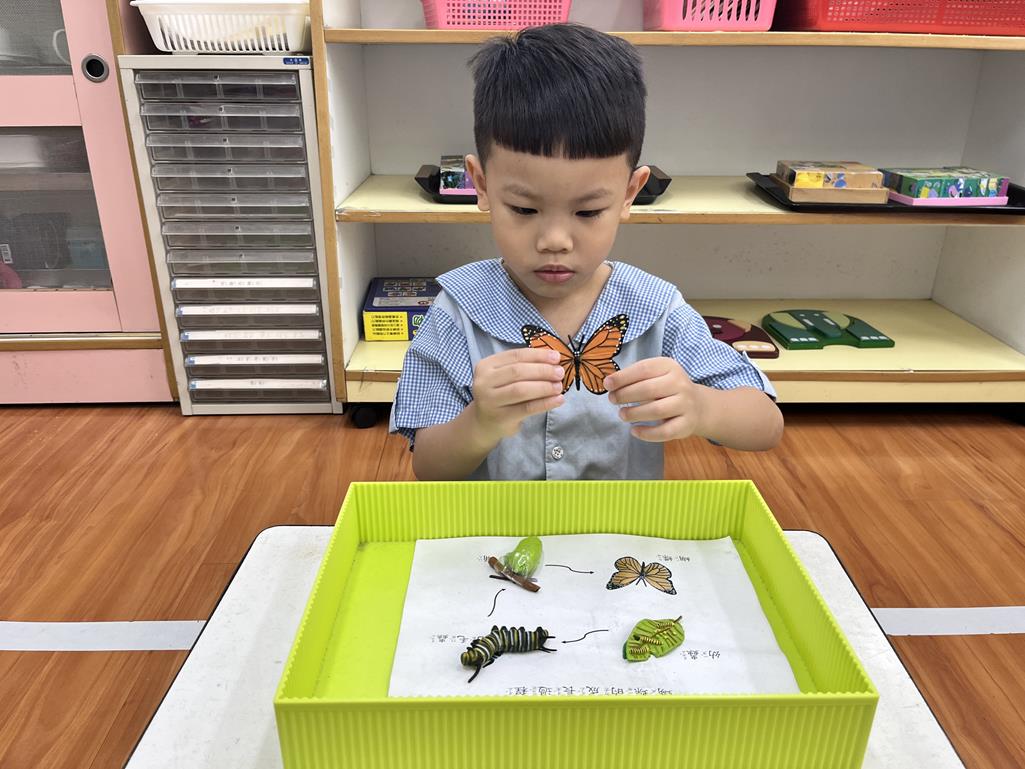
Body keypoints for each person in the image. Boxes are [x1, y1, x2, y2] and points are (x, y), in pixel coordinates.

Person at [389, 24, 783, 480]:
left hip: (615, 526)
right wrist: (479, 423)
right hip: (497, 525)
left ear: (630, 192)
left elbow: (766, 424)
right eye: (524, 209)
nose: (555, 240)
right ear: (480, 185)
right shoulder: (459, 311)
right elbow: (430, 468)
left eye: (588, 211)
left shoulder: (656, 309)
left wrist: (702, 407)